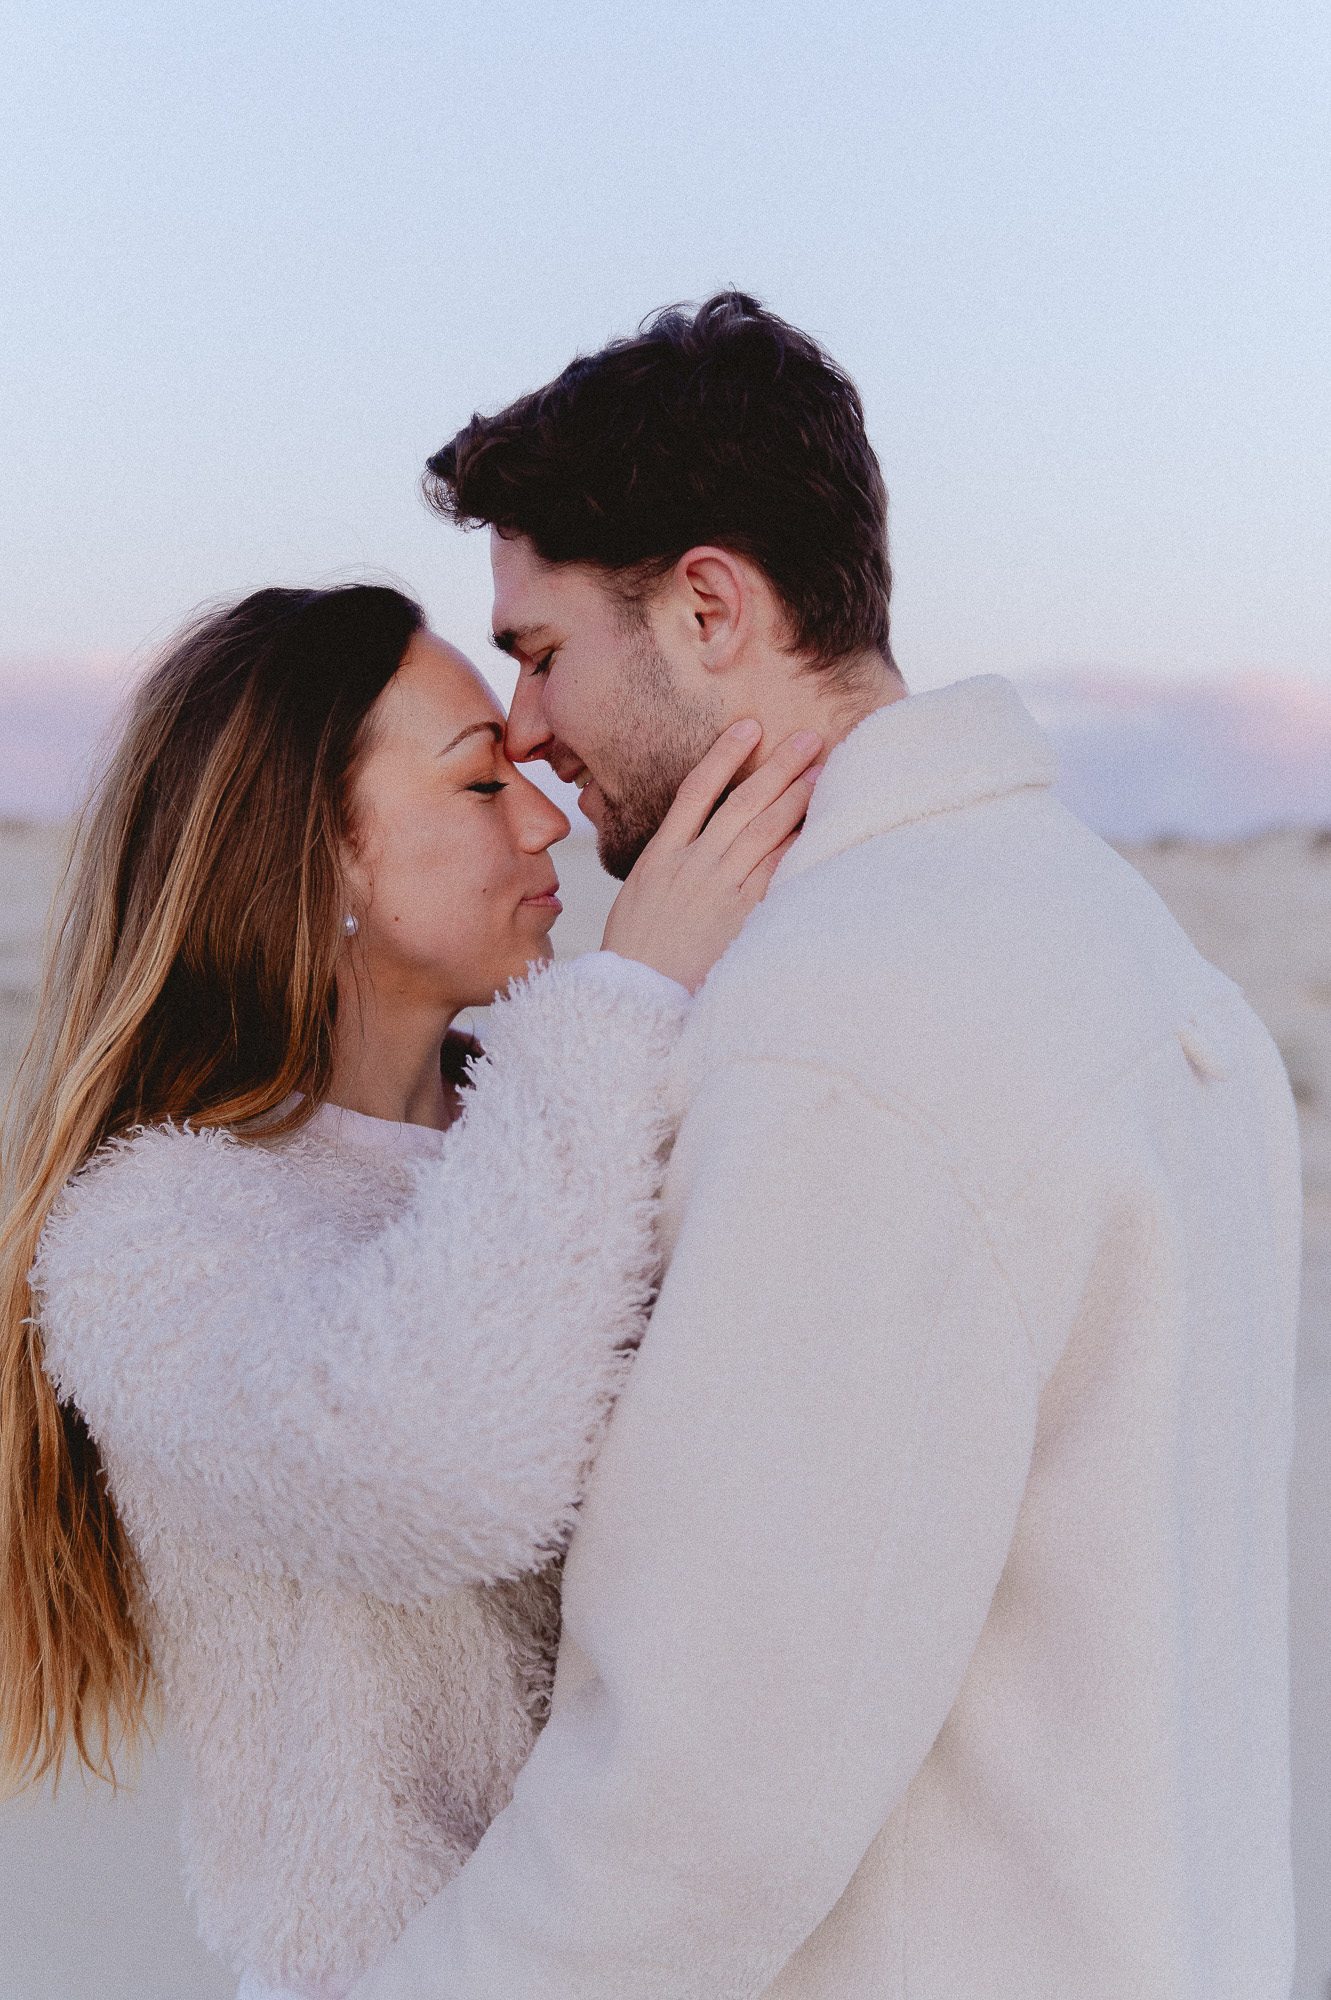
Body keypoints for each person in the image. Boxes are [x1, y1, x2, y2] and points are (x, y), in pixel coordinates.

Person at [348, 296, 1303, 1999]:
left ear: (711, 605)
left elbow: (694, 1797)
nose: (534, 735)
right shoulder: (1140, 957)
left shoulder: (844, 1020)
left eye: (544, 650)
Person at [0, 582, 819, 2000]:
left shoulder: (559, 1123)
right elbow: (448, 1462)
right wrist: (628, 996)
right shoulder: (146, 1237)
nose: (546, 820)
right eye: (481, 781)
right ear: (322, 854)